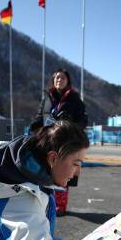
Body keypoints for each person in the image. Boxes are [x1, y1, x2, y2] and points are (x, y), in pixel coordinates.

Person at [31, 69, 87, 216]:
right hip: (48, 140)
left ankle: (59, 207)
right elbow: (39, 116)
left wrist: (71, 125)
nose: (59, 80)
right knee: (45, 171)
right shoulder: (47, 97)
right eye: (56, 78)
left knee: (64, 173)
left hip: (66, 142)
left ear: (68, 81)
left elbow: (83, 120)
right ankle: (44, 203)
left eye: (62, 78)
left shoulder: (74, 99)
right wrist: (34, 129)